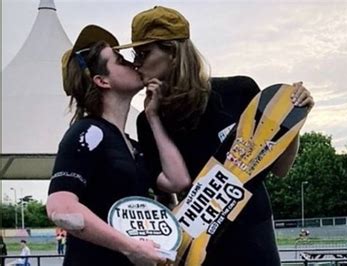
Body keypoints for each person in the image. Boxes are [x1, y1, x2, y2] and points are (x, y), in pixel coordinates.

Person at [116, 6, 314, 266]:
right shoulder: (148, 121)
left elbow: (280, 168)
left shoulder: (238, 91)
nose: (136, 63)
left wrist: (292, 120)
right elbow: (167, 192)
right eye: (134, 54)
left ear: (173, 53)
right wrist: (154, 118)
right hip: (199, 241)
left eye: (143, 53)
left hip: (253, 233)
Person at [46, 24, 191, 266]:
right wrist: (132, 248)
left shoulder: (131, 145)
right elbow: (60, 207)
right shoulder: (88, 132)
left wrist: (153, 117)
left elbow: (177, 181)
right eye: (121, 61)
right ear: (102, 80)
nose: (134, 64)